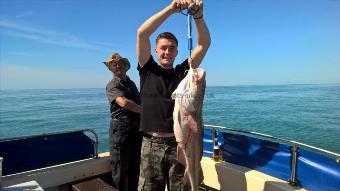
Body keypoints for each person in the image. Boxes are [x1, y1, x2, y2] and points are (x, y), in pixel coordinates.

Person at [136, 0, 211, 190]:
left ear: (177, 51)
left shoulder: (183, 72)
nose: (167, 52)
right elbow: (142, 33)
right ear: (155, 50)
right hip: (151, 145)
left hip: (181, 145)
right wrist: (171, 9)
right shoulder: (147, 68)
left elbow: (204, 44)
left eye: (171, 48)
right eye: (163, 48)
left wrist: (198, 17)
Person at [103, 53, 142, 191]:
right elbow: (123, 102)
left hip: (136, 129)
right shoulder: (112, 85)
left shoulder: (131, 84)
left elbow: (139, 100)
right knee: (119, 170)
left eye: (120, 63)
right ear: (111, 68)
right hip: (120, 130)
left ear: (126, 66)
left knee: (135, 168)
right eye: (114, 64)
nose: (117, 66)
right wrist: (145, 111)